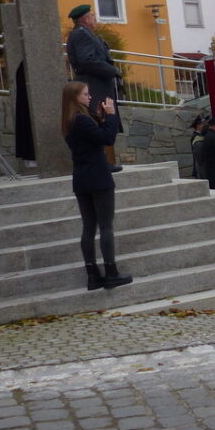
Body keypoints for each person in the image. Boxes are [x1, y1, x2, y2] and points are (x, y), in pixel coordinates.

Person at [61, 80, 132, 291]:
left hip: (81, 178)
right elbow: (107, 139)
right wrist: (111, 115)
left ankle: (92, 275)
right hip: (98, 178)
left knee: (88, 227)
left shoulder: (69, 120)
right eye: (85, 94)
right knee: (106, 226)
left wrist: (100, 118)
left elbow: (93, 139)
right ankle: (111, 273)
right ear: (75, 97)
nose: (89, 97)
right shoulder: (82, 119)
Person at [65, 4, 123, 170]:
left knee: (102, 119)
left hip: (97, 83)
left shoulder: (85, 33)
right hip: (94, 84)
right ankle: (103, 162)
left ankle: (106, 161)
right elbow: (87, 60)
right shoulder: (81, 34)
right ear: (85, 19)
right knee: (98, 119)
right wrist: (112, 70)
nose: (95, 18)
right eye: (92, 16)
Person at [189, 113, 208, 180]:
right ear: (198, 125)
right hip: (201, 169)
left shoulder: (202, 135)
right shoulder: (196, 137)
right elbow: (199, 157)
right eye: (203, 124)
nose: (205, 125)